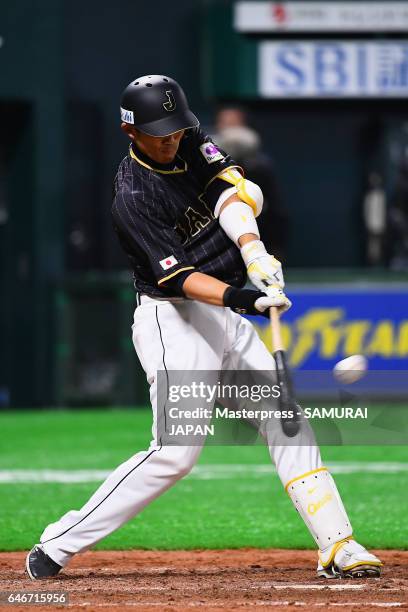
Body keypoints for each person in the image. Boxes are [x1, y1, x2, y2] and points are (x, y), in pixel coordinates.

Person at [26, 75, 381, 581]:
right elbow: (182, 278)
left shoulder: (189, 138)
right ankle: (59, 542)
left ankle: (338, 545)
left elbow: (229, 191)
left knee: (289, 421)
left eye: (176, 129)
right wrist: (245, 297)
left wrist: (254, 252)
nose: (172, 139)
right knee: (176, 454)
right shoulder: (132, 197)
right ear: (131, 133)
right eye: (159, 133)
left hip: (223, 313)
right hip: (174, 317)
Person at [214, 107, 289, 259]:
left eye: (234, 123)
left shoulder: (261, 166)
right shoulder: (204, 160)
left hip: (259, 234)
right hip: (219, 239)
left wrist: (276, 246)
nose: (230, 128)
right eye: (225, 123)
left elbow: (276, 207)